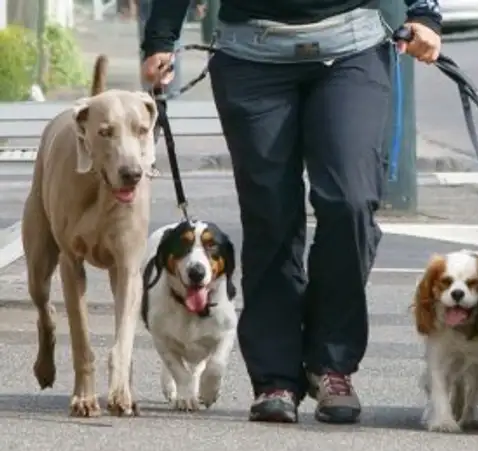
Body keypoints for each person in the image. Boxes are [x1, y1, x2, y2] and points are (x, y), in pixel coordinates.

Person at [141, 0, 442, 425]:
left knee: (350, 202)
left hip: (352, 49)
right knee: (270, 214)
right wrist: (160, 39)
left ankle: (331, 366)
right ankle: (275, 377)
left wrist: (422, 14)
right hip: (251, 55)